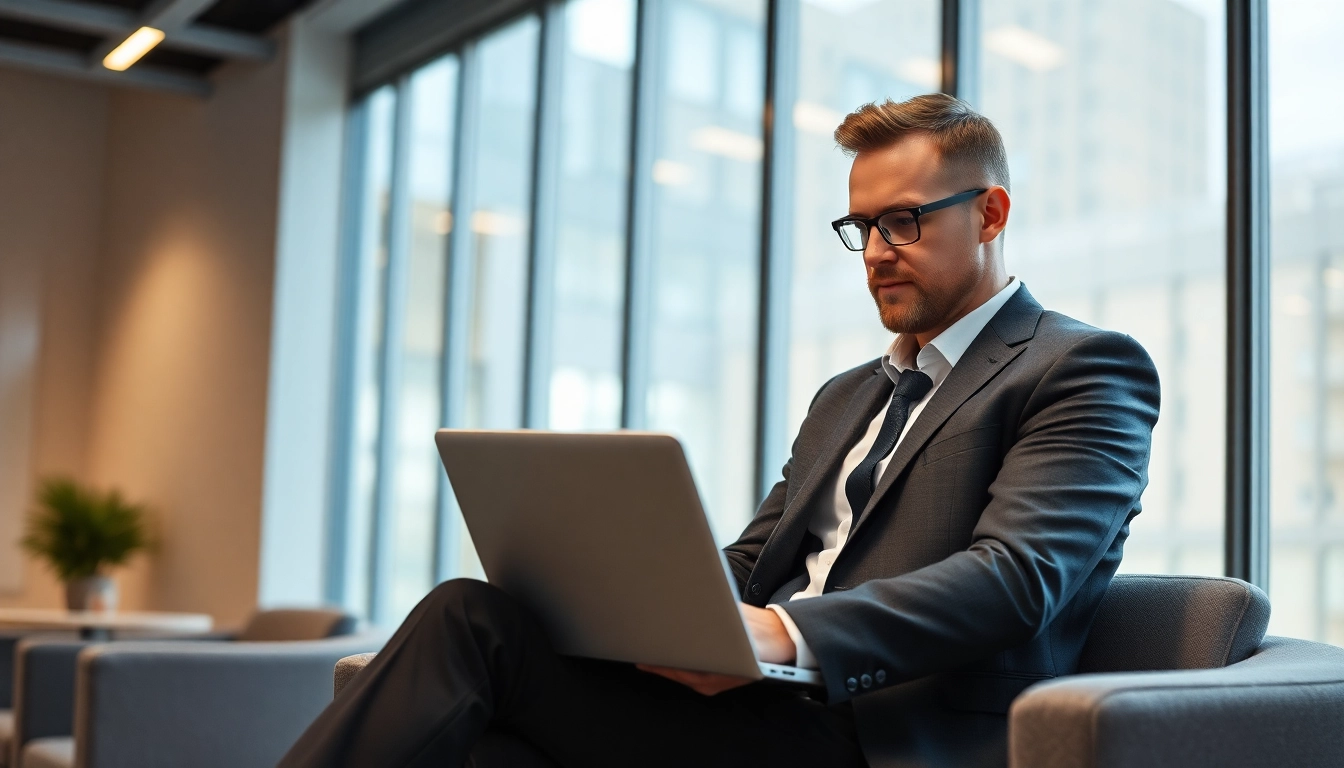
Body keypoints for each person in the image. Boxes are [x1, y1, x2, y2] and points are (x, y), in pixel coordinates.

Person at [278, 93, 1160, 768]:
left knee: (469, 632)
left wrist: (785, 636)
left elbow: (1017, 580)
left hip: (884, 733)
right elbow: (754, 561)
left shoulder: (1080, 366)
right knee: (481, 661)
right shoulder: (847, 395)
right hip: (754, 710)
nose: (879, 250)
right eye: (862, 227)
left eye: (905, 220)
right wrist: (652, 611)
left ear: (991, 214)